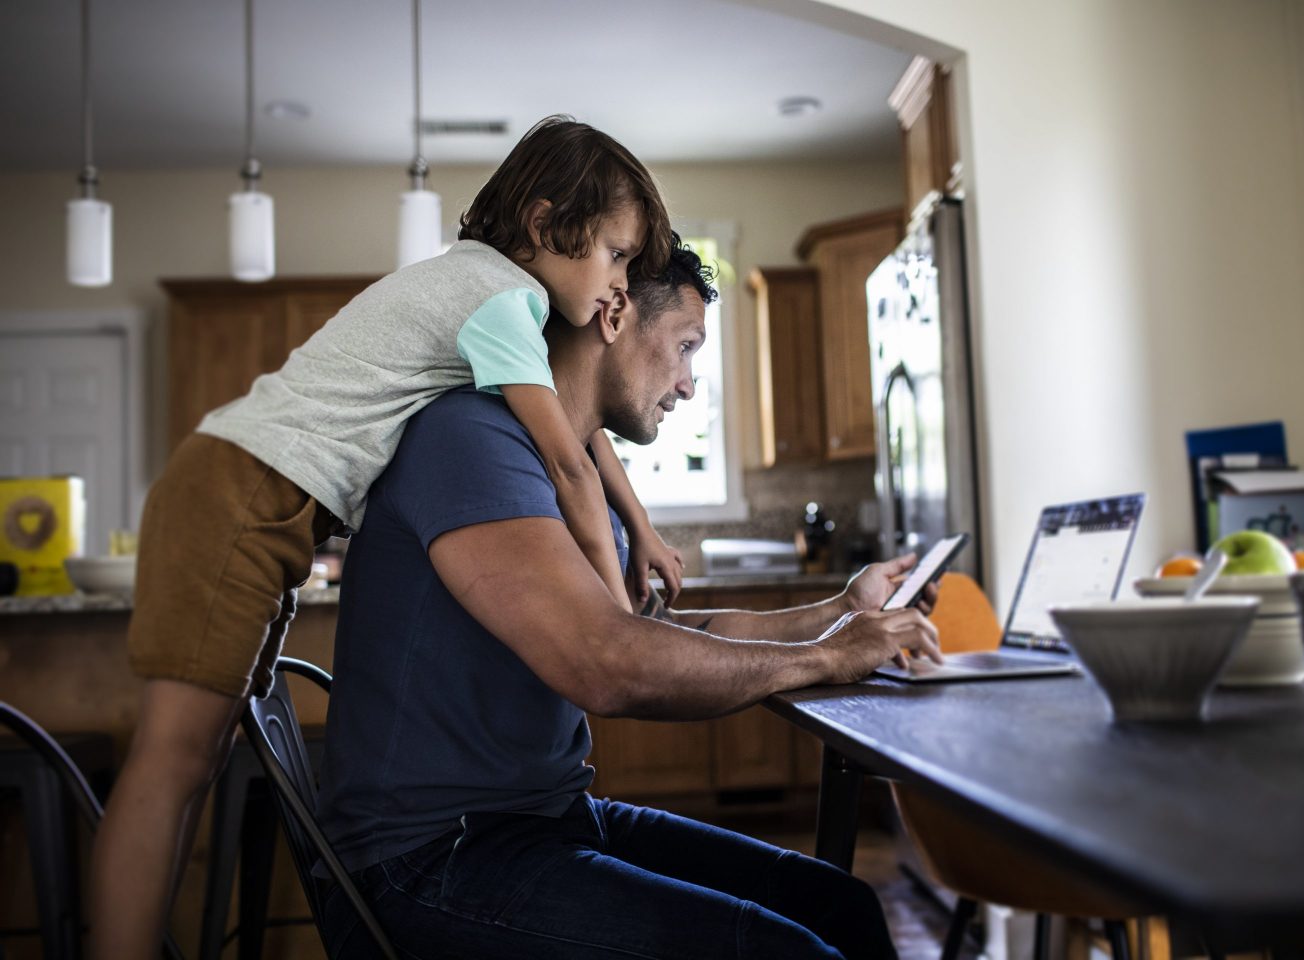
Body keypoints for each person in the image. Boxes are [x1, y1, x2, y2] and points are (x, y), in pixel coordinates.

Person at [89, 116, 686, 957]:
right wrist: (616, 610)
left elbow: (579, 433)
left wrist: (643, 529)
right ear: (549, 226)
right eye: (617, 255)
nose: (620, 283)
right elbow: (567, 463)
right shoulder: (498, 301)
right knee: (173, 761)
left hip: (259, 498)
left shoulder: (487, 294)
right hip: (238, 491)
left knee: (202, 760)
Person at [316, 242, 943, 959]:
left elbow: (659, 632)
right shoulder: (470, 438)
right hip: (428, 860)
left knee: (841, 907)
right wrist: (825, 658)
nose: (688, 385)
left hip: (543, 820)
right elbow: (610, 662)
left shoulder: (572, 465)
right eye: (684, 347)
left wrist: (839, 613)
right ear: (612, 316)